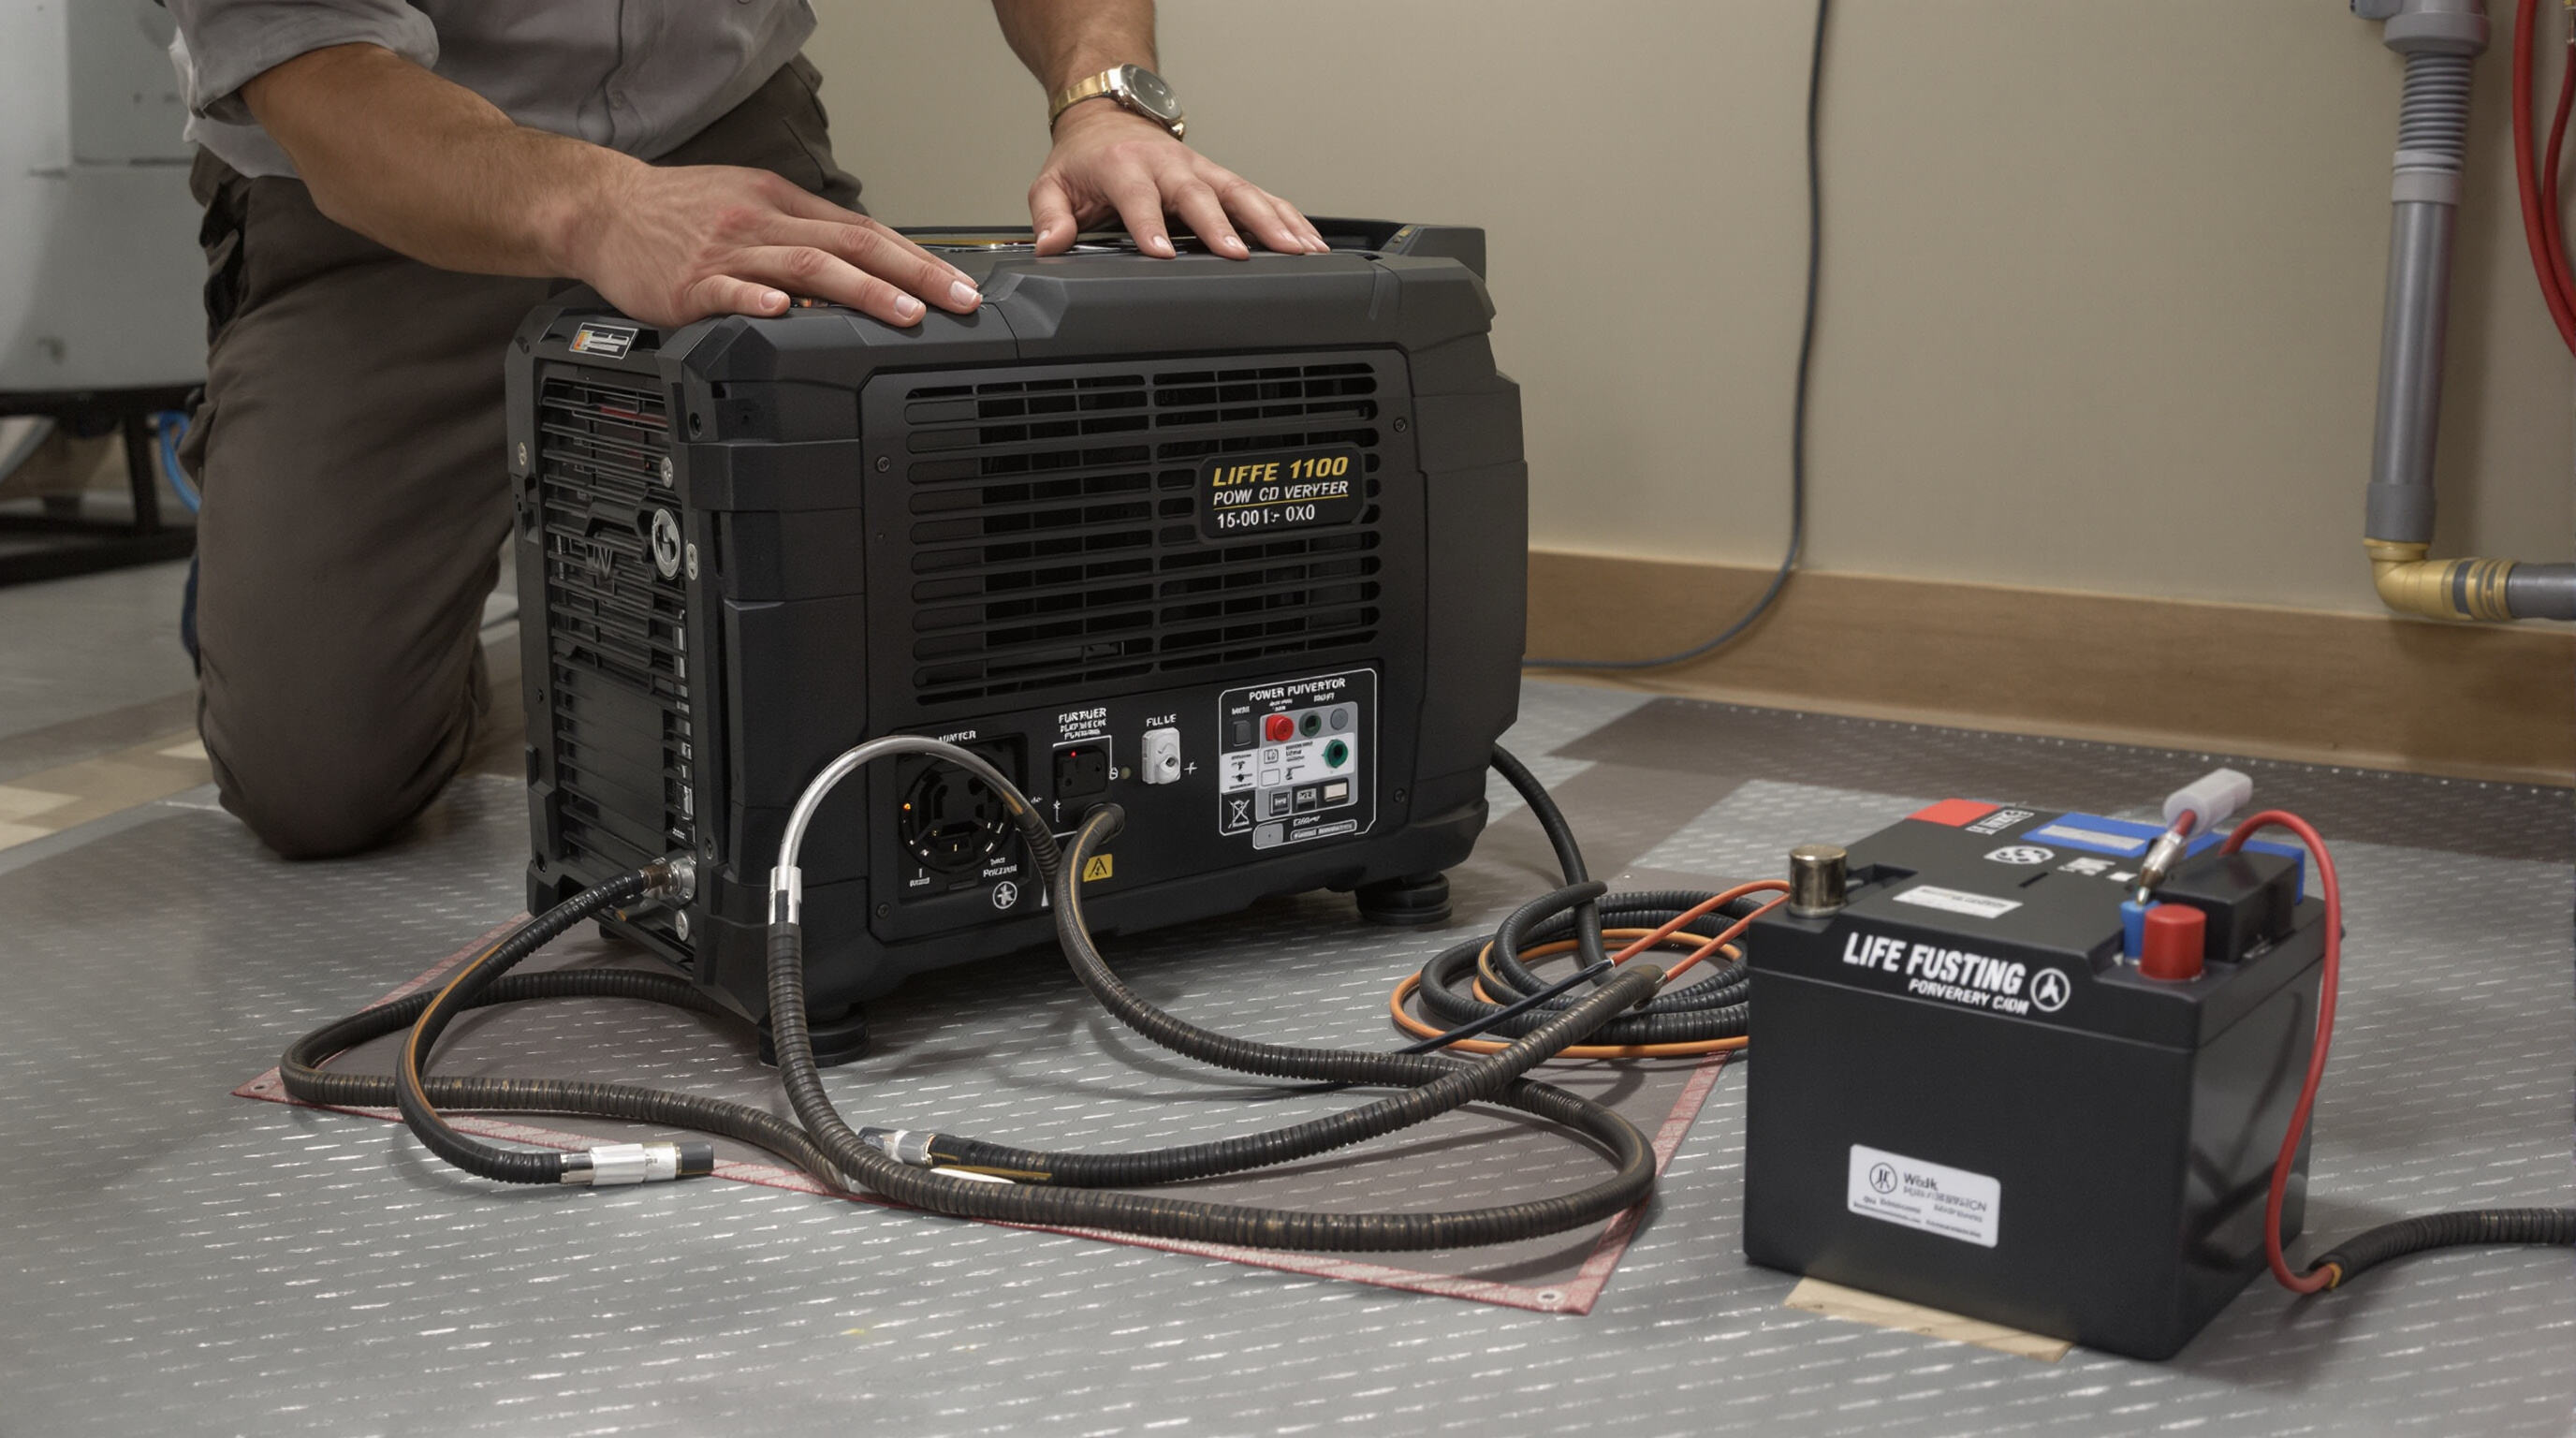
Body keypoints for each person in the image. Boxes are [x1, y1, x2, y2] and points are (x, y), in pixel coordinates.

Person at [163, 0, 1321, 859]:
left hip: (719, 121)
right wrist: (600, 208)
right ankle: (338, 586)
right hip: (380, 175)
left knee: (944, 631)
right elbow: (315, 73)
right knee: (319, 778)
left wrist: (1102, 99)